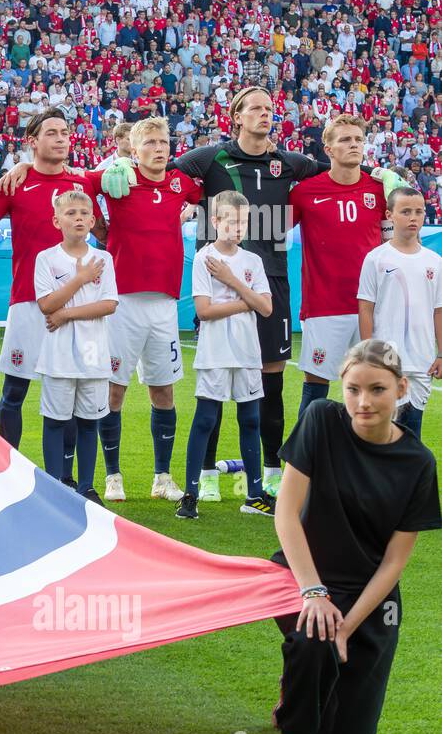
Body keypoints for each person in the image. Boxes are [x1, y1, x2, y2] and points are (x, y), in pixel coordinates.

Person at [103, 86, 403, 500]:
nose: (266, 114)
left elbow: (341, 165)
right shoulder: (208, 158)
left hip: (273, 280)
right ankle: (205, 474)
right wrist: (120, 162)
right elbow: (157, 167)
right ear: (236, 116)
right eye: (256, 109)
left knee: (269, 383)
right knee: (212, 386)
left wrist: (383, 176)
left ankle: (270, 470)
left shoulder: (291, 164)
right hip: (216, 277)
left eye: (269, 109)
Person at [259, 339, 440, 734]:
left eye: (377, 390)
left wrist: (349, 625)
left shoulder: (418, 463)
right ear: (341, 386)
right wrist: (314, 592)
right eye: (353, 388)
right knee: (313, 635)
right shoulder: (320, 419)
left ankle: (305, 689)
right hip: (303, 574)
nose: (363, 402)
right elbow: (286, 515)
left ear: (401, 389)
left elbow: (394, 563)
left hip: (368, 594)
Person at [0, 109, 107, 485]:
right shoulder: (17, 183)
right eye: (52, 133)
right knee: (15, 392)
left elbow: (112, 216)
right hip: (28, 305)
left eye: (66, 132)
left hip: (76, 309)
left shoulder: (84, 183)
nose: (62, 138)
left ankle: (71, 482)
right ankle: (2, 475)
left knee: (74, 396)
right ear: (32, 142)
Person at [91, 117, 200, 504]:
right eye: (150, 142)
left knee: (164, 391)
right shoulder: (120, 178)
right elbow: (82, 184)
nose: (160, 148)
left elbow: (208, 183)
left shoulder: (178, 183)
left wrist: (188, 211)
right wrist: (99, 224)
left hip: (165, 304)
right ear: (134, 150)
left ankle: (162, 477)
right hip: (123, 302)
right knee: (113, 391)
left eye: (164, 142)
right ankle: (114, 476)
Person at [178, 191, 274, 520]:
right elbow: (204, 311)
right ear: (216, 222)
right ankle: (190, 495)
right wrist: (248, 300)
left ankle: (255, 495)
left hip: (247, 352)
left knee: (250, 420)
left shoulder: (252, 262)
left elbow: (267, 307)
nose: (237, 227)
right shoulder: (205, 258)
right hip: (215, 351)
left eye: (242, 221)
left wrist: (233, 282)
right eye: (230, 221)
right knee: (205, 419)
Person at [290, 115, 388, 422]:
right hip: (324, 307)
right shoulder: (305, 192)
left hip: (373, 308)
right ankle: (302, 460)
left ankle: (372, 458)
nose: (354, 145)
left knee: (375, 385)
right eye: (345, 139)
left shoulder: (380, 190)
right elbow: (268, 232)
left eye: (358, 139)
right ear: (328, 149)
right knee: (316, 386)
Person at [33, 190, 117, 503]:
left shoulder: (104, 259)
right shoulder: (47, 258)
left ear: (93, 220)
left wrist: (66, 313)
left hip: (94, 355)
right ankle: (54, 487)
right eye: (71, 213)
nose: (78, 218)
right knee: (55, 421)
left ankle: (86, 488)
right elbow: (46, 305)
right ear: (57, 221)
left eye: (84, 213)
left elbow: (109, 304)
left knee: (88, 422)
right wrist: (81, 279)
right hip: (58, 355)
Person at [356, 186, 442, 439]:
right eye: (405, 211)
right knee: (382, 434)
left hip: (422, 361)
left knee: (411, 434)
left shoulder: (434, 262)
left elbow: (438, 310)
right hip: (387, 361)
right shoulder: (376, 259)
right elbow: (365, 308)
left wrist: (441, 354)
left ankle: (407, 480)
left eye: (419, 211)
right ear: (390, 215)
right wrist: (368, 354)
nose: (413, 217)